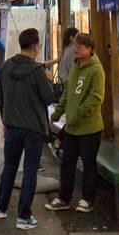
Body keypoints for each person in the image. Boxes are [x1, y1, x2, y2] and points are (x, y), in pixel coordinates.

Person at [0, 28, 55, 229]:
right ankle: (24, 217)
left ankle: (1, 207)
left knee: (9, 167)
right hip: (34, 128)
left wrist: (6, 121)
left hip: (13, 127)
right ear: (35, 47)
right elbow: (49, 98)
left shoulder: (7, 67)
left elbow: (1, 96)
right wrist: (49, 78)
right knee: (29, 172)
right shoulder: (37, 71)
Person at [44, 33, 106, 215]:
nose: (76, 49)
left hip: (90, 128)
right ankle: (64, 198)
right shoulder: (76, 67)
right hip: (71, 128)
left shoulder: (96, 70)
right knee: (67, 163)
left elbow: (96, 98)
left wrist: (77, 114)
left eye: (79, 46)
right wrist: (57, 113)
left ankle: (88, 200)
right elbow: (67, 94)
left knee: (89, 165)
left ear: (89, 49)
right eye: (75, 45)